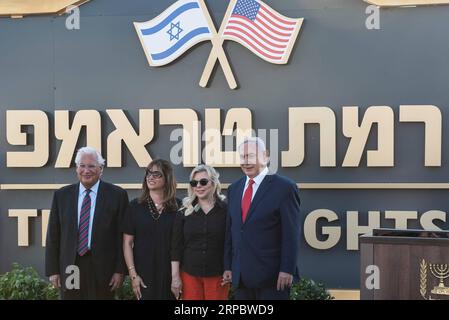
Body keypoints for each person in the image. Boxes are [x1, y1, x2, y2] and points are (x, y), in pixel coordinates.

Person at [45, 146, 129, 299]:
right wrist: (53, 270)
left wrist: (120, 270)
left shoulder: (117, 195)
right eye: (82, 166)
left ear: (101, 169)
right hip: (71, 266)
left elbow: (122, 237)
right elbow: (53, 235)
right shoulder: (62, 196)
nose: (86, 170)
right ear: (76, 169)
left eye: (91, 166)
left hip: (103, 268)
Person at [223, 137, 301, 300]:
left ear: (265, 156)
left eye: (251, 156)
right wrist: (229, 266)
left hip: (272, 279)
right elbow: (231, 232)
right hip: (241, 277)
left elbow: (291, 234)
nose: (246, 161)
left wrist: (287, 269)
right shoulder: (234, 189)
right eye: (243, 157)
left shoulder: (285, 188)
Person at [122, 159, 180, 300]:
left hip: (171, 274)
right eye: (148, 173)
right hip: (143, 275)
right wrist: (133, 275)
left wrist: (176, 277)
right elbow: (127, 243)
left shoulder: (179, 207)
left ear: (167, 178)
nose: (150, 177)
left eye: (156, 174)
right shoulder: (135, 206)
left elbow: (179, 245)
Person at [171, 164, 229, 300]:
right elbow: (176, 247)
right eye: (194, 183)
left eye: (203, 182)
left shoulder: (226, 210)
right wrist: (175, 277)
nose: (198, 186)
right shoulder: (184, 212)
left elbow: (231, 243)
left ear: (213, 183)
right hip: (189, 274)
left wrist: (229, 268)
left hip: (218, 275)